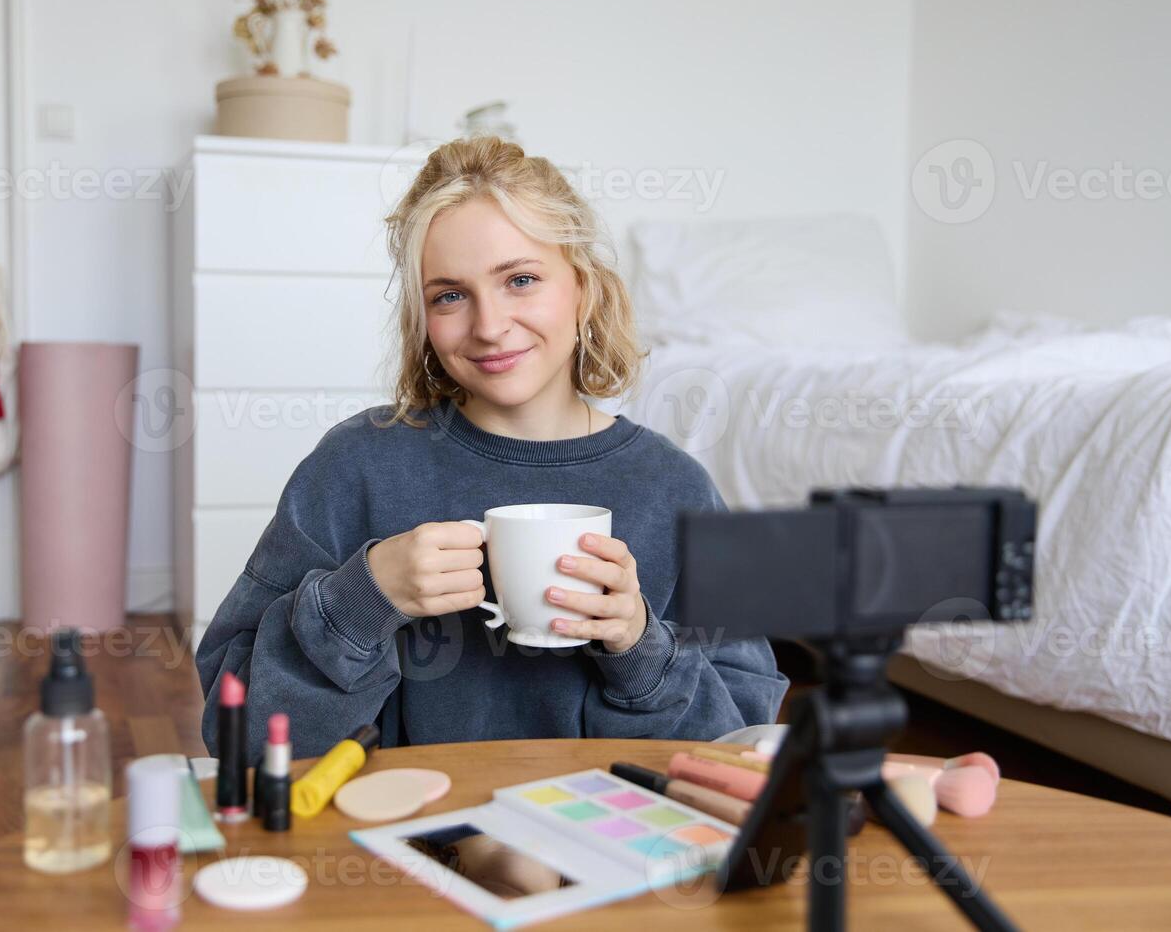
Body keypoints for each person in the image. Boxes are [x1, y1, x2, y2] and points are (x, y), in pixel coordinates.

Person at [196, 136, 788, 758]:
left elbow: (741, 745)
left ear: (584, 289)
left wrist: (639, 647)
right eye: (450, 295)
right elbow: (236, 732)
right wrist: (364, 600)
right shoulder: (357, 467)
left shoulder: (677, 488)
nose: (488, 325)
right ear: (423, 321)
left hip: (606, 841)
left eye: (521, 280)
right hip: (408, 837)